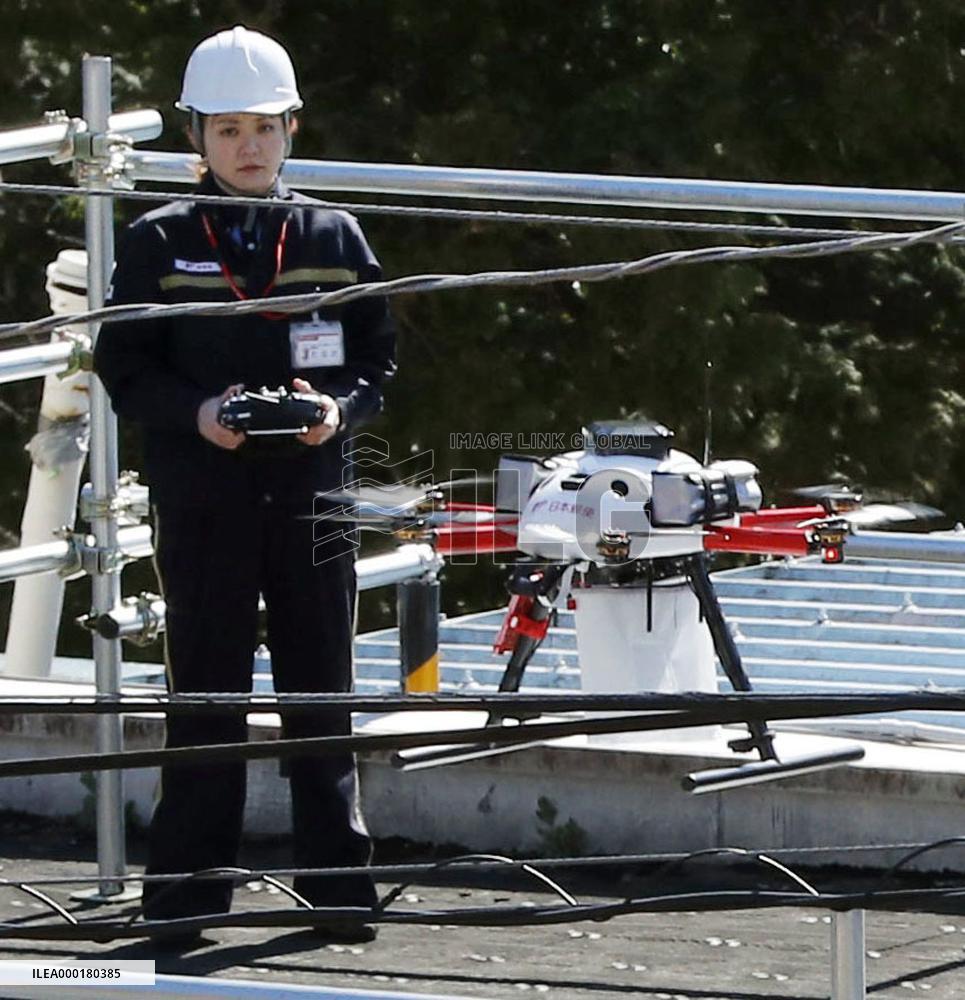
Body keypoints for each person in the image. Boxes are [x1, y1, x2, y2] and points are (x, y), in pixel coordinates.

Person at [94, 25, 395, 943]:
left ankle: (337, 891)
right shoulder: (158, 241)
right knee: (208, 693)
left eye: (263, 126)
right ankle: (185, 899)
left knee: (323, 690)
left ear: (293, 128)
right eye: (227, 130)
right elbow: (123, 367)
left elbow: (376, 362)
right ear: (198, 137)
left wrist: (336, 410)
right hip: (203, 496)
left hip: (313, 494)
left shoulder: (335, 237)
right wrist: (199, 414)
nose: (248, 146)